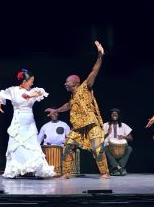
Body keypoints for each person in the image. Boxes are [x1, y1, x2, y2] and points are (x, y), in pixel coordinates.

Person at [45, 41, 110, 179]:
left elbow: (94, 71)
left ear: (74, 83)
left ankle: (105, 172)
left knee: (98, 148)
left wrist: (100, 56)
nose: (65, 84)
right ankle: (66, 173)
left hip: (92, 124)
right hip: (78, 127)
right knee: (68, 146)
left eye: (67, 82)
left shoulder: (85, 87)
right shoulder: (73, 96)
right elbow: (68, 105)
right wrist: (56, 110)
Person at [0, 69, 56, 178]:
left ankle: (37, 170)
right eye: (31, 81)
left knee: (32, 146)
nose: (32, 83)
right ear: (25, 81)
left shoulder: (33, 91)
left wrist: (30, 96)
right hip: (17, 121)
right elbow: (0, 95)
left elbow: (41, 92)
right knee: (16, 146)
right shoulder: (13, 90)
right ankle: (15, 170)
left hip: (29, 123)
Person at [103, 108, 133, 176]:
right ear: (110, 115)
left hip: (122, 147)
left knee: (129, 148)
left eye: (116, 114)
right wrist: (107, 133)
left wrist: (124, 137)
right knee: (105, 149)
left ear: (119, 116)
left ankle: (117, 168)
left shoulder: (124, 125)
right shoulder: (105, 125)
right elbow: (100, 138)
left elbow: (131, 138)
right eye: (112, 113)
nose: (114, 115)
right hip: (109, 146)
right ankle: (120, 169)